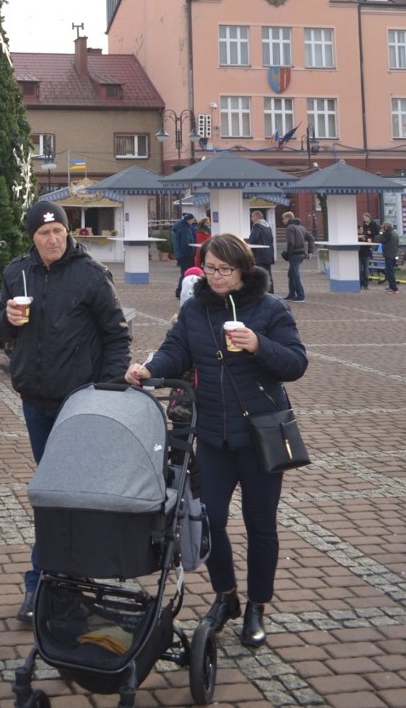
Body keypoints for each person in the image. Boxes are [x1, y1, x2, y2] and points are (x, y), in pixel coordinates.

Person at [125, 232, 308, 649]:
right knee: (209, 521)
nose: (216, 277)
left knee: (261, 526)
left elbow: (296, 362)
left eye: (224, 269)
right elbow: (175, 352)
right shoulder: (195, 310)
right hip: (212, 435)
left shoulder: (270, 308)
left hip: (261, 435)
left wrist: (259, 345)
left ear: (242, 269)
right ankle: (226, 597)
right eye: (209, 269)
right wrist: (148, 370)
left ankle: (258, 605)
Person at [0, 200, 131, 623]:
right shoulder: (18, 272)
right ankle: (66, 579)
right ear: (32, 238)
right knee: (58, 496)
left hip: (80, 404)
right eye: (43, 234)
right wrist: (8, 320)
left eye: (59, 233)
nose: (53, 239)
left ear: (68, 233)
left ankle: (42, 584)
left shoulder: (90, 275)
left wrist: (104, 393)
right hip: (36, 401)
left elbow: (117, 336)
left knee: (58, 496)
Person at [281, 212, 313, 303]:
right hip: (301, 253)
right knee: (291, 274)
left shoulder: (290, 227)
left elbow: (291, 242)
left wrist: (288, 254)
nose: (282, 220)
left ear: (288, 218)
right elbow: (311, 238)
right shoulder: (301, 227)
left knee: (295, 275)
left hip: (294, 254)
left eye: (283, 218)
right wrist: (310, 251)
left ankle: (300, 295)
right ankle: (291, 295)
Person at [247, 211, 275, 292]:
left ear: (256, 217)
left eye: (252, 217)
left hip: (259, 255)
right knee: (268, 275)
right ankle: (270, 292)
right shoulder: (268, 227)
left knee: (259, 275)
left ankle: (261, 293)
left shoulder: (257, 227)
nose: (251, 219)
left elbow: (253, 239)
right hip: (268, 255)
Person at [171, 212, 198, 296]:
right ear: (189, 220)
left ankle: (179, 291)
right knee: (186, 273)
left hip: (179, 254)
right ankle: (180, 291)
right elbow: (185, 243)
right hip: (185, 255)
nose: (193, 222)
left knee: (184, 273)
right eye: (192, 220)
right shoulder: (185, 229)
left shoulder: (178, 227)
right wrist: (190, 253)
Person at [358, 213, 380, 290]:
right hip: (361, 253)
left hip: (367, 250)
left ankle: (366, 285)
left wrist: (370, 234)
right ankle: (360, 284)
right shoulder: (364, 226)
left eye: (365, 218)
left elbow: (376, 232)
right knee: (360, 270)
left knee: (366, 270)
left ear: (369, 217)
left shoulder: (373, 224)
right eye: (363, 218)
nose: (364, 220)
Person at [379, 221, 400, 294]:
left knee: (390, 272)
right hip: (394, 255)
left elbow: (381, 240)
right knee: (390, 272)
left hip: (389, 255)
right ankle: (392, 286)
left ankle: (394, 288)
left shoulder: (387, 233)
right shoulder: (394, 233)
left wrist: (381, 233)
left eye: (383, 227)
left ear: (386, 227)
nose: (382, 228)